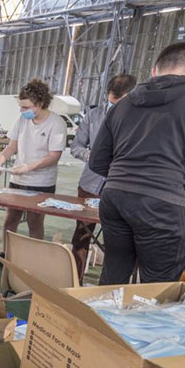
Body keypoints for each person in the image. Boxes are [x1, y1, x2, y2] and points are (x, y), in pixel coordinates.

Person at [90, 42, 185, 284]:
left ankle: (100, 321)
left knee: (114, 274)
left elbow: (98, 160)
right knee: (157, 287)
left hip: (114, 198)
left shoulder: (122, 105)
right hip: (162, 202)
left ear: (155, 70)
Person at [0, 79, 67, 268]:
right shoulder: (22, 120)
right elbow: (12, 146)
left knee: (34, 221)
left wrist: (29, 167)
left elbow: (54, 156)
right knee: (10, 218)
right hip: (18, 179)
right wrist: (0, 161)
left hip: (41, 182)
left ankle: (34, 259)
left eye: (26, 107)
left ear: (39, 104)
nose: (22, 111)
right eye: (21, 107)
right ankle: (6, 255)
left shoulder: (56, 123)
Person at [69, 74, 137, 283]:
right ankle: (74, 282)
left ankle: (108, 291)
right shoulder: (94, 116)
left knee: (117, 243)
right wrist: (90, 155)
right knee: (81, 236)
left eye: (119, 103)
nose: (114, 107)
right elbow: (76, 146)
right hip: (90, 185)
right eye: (111, 102)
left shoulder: (139, 120)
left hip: (121, 188)